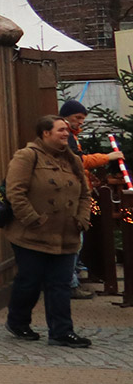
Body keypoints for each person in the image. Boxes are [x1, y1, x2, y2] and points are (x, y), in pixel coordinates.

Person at [5, 114, 93, 348]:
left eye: (66, 130)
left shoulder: (73, 160)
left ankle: (61, 332)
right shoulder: (27, 156)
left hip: (67, 234)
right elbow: (15, 192)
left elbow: (85, 194)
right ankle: (18, 321)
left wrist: (82, 219)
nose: (66, 134)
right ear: (46, 133)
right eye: (60, 130)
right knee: (29, 282)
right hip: (32, 235)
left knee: (60, 284)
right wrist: (33, 220)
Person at [58, 100, 123, 299]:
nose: (80, 122)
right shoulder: (66, 136)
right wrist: (108, 157)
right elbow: (78, 161)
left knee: (78, 239)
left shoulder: (71, 136)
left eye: (82, 119)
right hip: (73, 197)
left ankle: (73, 280)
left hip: (77, 193)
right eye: (77, 118)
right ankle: (70, 284)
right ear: (66, 116)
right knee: (76, 240)